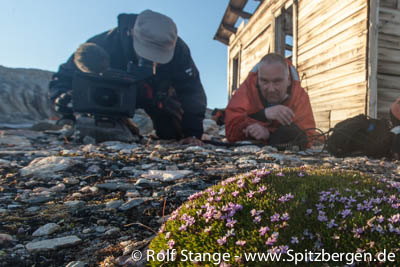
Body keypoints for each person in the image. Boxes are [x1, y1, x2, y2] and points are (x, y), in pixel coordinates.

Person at [49, 9, 206, 146]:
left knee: (172, 134)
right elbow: (65, 76)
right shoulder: (104, 43)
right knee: (101, 132)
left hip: (158, 96)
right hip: (113, 98)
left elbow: (191, 90)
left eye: (159, 57)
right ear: (131, 33)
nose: (154, 62)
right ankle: (117, 120)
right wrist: (62, 100)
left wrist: (192, 133)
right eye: (147, 54)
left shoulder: (179, 50)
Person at [225, 53, 316, 148]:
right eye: (264, 81)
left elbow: (309, 137)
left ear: (288, 80)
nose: (271, 89)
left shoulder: (300, 97)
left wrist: (269, 134)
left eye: (277, 81)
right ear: (258, 79)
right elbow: (230, 131)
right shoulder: (247, 90)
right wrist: (263, 114)